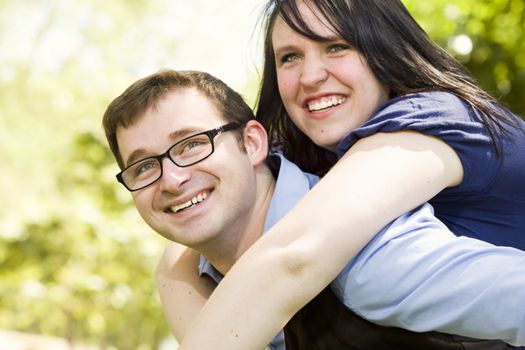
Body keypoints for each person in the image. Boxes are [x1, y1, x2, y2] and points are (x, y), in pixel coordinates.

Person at [178, 0, 525, 349]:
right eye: (290, 57)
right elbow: (190, 244)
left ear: (387, 48)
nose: (310, 76)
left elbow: (294, 255)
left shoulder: (429, 122)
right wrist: (176, 267)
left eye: (337, 46)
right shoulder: (318, 158)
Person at [103, 70, 525, 349]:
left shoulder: (364, 252)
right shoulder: (192, 279)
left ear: (251, 143)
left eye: (192, 144)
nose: (172, 179)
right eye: (144, 166)